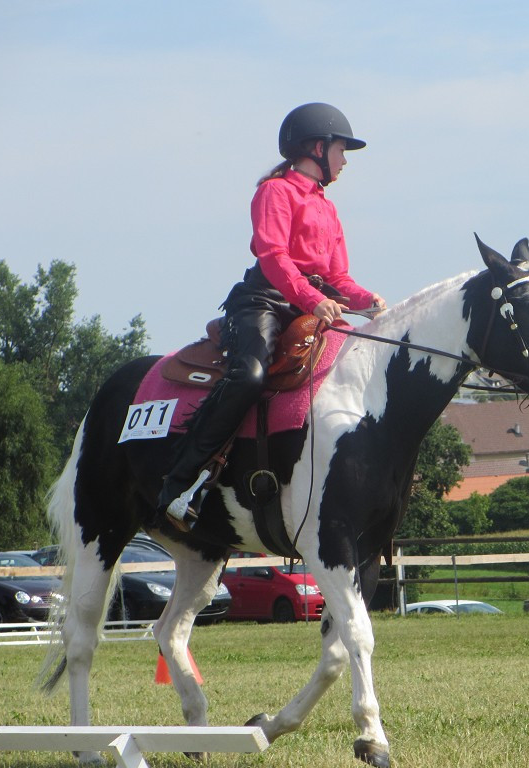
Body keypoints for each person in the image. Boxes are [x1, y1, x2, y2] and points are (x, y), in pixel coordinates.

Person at [158, 102, 385, 531]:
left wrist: (366, 300)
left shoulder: (328, 209)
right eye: (341, 150)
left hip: (310, 305)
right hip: (264, 300)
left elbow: (337, 276)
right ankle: (180, 482)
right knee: (250, 376)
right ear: (316, 147)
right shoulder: (274, 192)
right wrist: (310, 298)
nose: (344, 161)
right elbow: (274, 258)